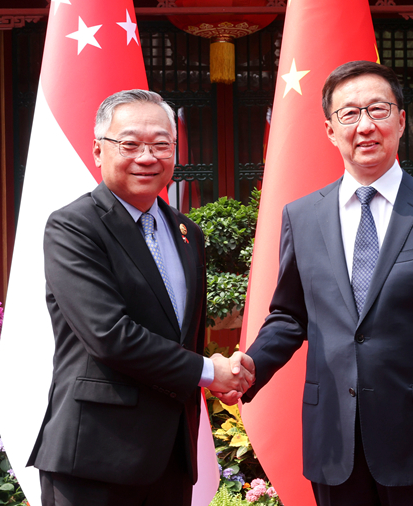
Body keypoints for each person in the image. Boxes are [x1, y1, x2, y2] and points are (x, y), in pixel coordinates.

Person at [226, 61, 413, 506]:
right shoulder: (303, 216)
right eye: (349, 114)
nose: (365, 125)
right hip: (333, 438)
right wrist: (250, 367)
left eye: (378, 110)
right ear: (330, 130)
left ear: (401, 121)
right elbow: (290, 316)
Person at [27, 89, 252, 506]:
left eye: (161, 144)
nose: (147, 157)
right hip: (95, 459)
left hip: (169, 457)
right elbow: (109, 334)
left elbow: (183, 334)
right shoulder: (73, 228)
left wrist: (220, 373)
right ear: (98, 150)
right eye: (129, 144)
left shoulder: (187, 232)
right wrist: (208, 371)